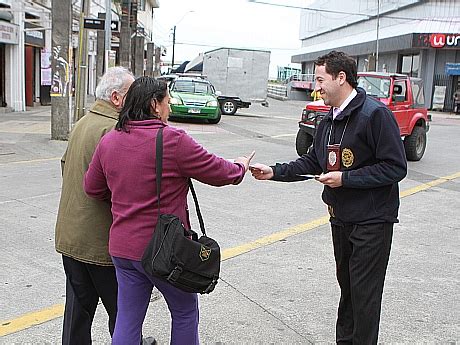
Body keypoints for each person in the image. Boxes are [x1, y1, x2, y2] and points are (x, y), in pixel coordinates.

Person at [83, 76, 254, 345]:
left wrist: (124, 200)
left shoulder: (110, 140)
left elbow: (92, 188)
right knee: (184, 311)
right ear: (154, 104)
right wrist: (240, 166)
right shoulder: (173, 140)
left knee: (128, 318)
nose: (170, 109)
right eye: (168, 102)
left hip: (122, 248)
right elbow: (219, 172)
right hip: (164, 249)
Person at [251, 51, 407, 344]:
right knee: (348, 289)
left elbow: (395, 167)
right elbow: (313, 162)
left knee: (364, 294)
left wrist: (345, 178)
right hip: (341, 219)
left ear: (341, 78)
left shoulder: (375, 115)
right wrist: (273, 171)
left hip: (372, 222)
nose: (317, 87)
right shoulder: (328, 121)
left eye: (321, 80)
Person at [54, 66, 136, 344]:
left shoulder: (82, 123)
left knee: (78, 311)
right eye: (132, 94)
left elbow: (65, 167)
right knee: (124, 313)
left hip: (71, 236)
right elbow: (118, 189)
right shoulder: (114, 131)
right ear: (116, 97)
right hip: (100, 243)